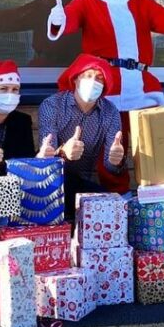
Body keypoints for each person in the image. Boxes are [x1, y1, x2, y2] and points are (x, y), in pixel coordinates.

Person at [37, 53, 126, 220]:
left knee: (113, 206)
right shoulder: (52, 105)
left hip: (85, 184)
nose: (93, 82)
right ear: (76, 79)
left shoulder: (110, 112)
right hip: (51, 182)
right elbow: (45, 159)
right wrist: (63, 152)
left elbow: (111, 166)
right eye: (88, 76)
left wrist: (115, 161)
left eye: (99, 78)